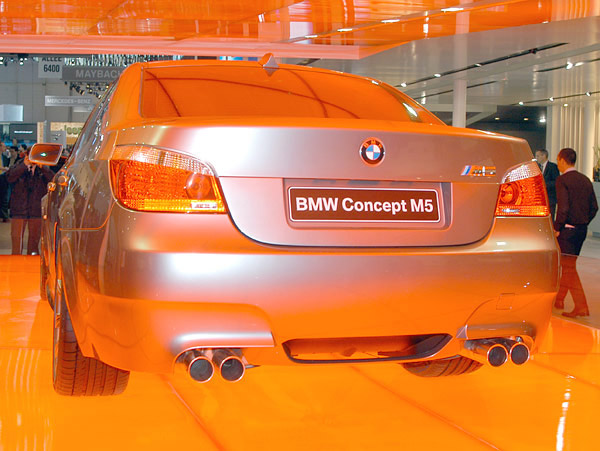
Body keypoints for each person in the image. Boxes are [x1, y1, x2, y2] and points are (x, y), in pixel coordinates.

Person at [553, 147, 599, 318]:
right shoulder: (585, 179)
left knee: (568, 268)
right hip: (581, 231)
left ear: (563, 160)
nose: (558, 164)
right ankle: (559, 299)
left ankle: (581, 305)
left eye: (558, 160)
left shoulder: (563, 180)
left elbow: (563, 208)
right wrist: (583, 221)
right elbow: (594, 207)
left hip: (567, 231)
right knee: (569, 266)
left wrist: (557, 227)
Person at [5, 151, 54, 255]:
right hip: (18, 209)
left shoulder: (42, 170)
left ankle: (32, 259)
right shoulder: (18, 165)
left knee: (34, 240)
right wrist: (24, 165)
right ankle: (16, 260)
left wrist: (42, 167)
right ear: (26, 156)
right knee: (17, 238)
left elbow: (52, 180)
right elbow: (9, 177)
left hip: (36, 209)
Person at [535, 149, 560, 218]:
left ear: (544, 156)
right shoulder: (536, 167)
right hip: (539, 199)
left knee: (550, 217)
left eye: (538, 156)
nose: (536, 158)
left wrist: (544, 184)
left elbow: (556, 181)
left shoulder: (553, 167)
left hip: (550, 198)